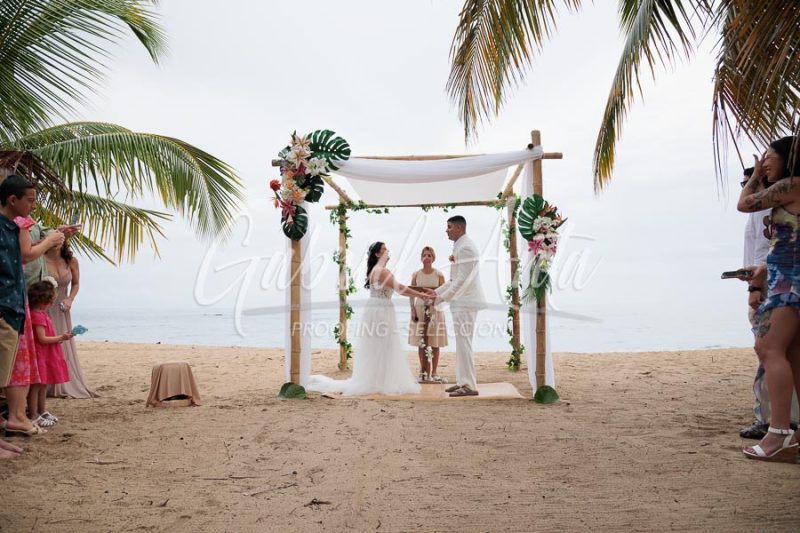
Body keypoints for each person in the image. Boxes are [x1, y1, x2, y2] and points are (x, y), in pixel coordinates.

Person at [738, 135, 800, 461]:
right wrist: (764, 269)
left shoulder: (790, 185)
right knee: (792, 354)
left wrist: (753, 179)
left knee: (768, 347)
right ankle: (795, 434)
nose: (764, 164)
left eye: (768, 158)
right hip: (784, 276)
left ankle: (777, 433)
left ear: (785, 158)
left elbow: (744, 203)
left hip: (790, 284)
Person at [306, 242, 428, 396]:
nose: (388, 251)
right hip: (383, 310)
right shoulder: (383, 272)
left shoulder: (373, 271)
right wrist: (421, 295)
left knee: (376, 346)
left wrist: (419, 291)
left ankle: (375, 378)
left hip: (373, 309)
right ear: (377, 254)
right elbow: (400, 289)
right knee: (385, 345)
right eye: (384, 249)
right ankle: (382, 381)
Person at [431, 215, 487, 397]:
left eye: (449, 227)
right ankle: (462, 381)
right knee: (462, 343)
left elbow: (463, 280)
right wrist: (436, 293)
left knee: (464, 343)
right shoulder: (460, 246)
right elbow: (454, 279)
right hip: (461, 302)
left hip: (466, 302)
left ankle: (469, 385)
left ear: (458, 228)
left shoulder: (466, 248)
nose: (446, 230)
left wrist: (441, 298)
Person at [44, 239, 96, 398]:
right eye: (54, 236)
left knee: (63, 343)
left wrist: (70, 299)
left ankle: (63, 382)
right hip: (43, 307)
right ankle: (45, 384)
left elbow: (76, 283)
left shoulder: (71, 261)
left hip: (62, 307)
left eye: (61, 238)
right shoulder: (39, 259)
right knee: (46, 341)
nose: (58, 241)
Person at [27, 278, 72, 428]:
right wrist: (60, 337)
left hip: (46, 354)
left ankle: (42, 411)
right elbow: (42, 338)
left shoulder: (42, 314)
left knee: (43, 384)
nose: (52, 303)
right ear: (43, 300)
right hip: (41, 355)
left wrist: (60, 338)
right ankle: (33, 415)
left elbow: (46, 337)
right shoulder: (37, 315)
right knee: (37, 385)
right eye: (51, 300)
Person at [408, 246, 448, 382]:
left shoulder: (439, 275)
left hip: (435, 310)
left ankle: (435, 372)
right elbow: (411, 293)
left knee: (435, 342)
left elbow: (444, 294)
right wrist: (412, 309)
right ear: (421, 258)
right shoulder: (416, 275)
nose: (427, 257)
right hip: (419, 309)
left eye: (429, 255)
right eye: (424, 255)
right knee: (421, 342)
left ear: (433, 258)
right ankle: (423, 371)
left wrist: (435, 303)